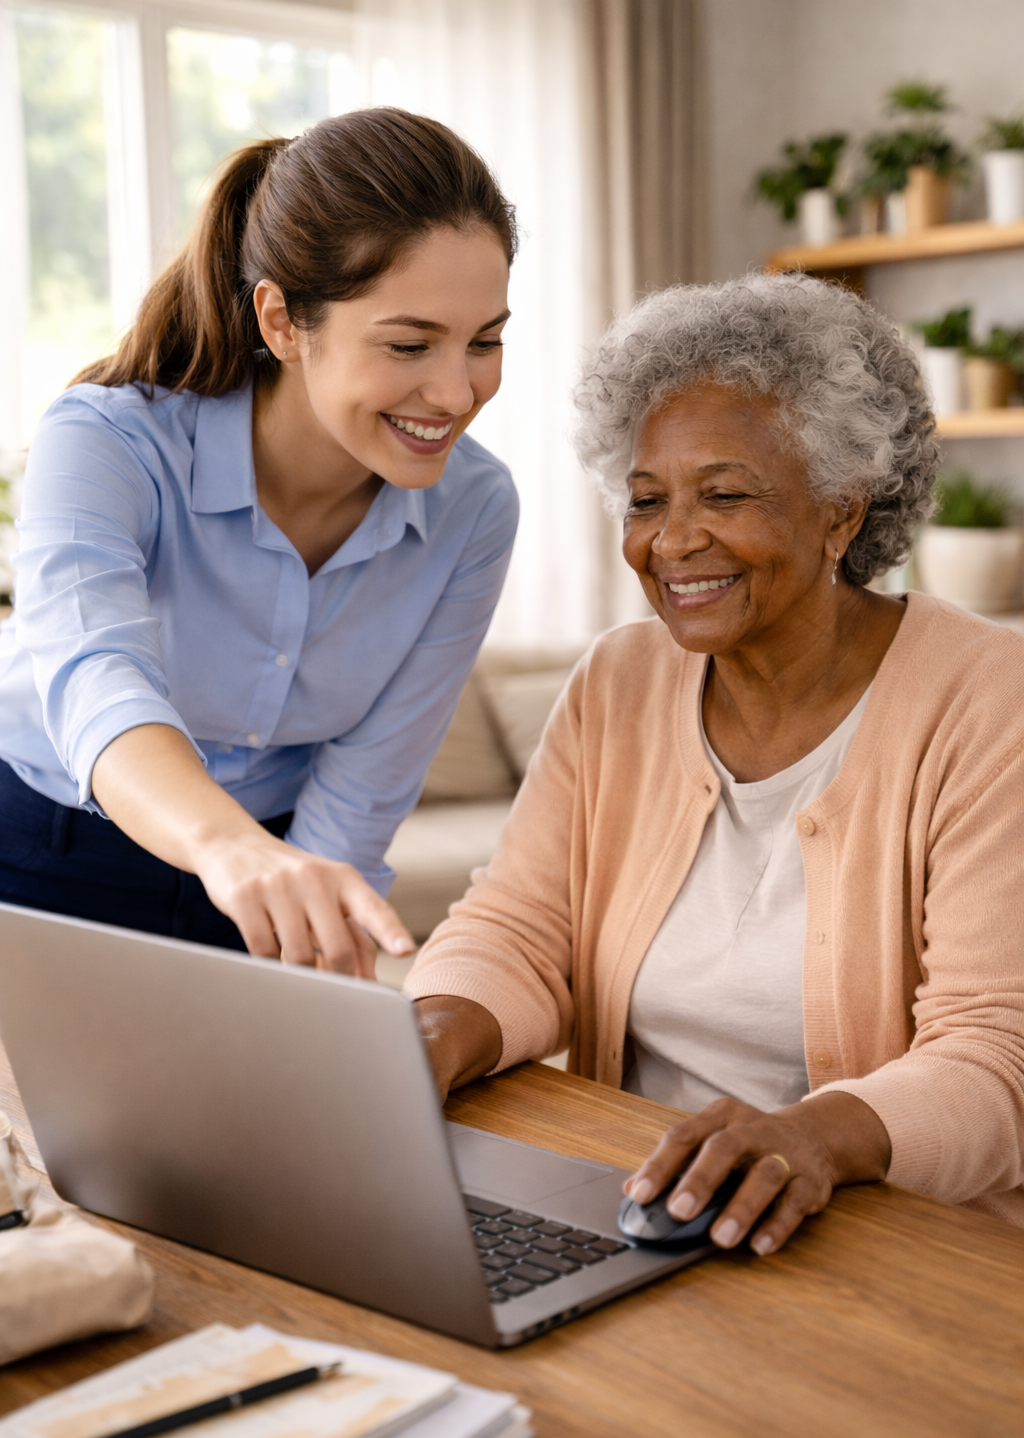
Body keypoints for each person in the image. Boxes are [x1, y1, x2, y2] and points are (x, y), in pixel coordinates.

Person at [407, 272, 1024, 1253]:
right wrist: (431, 1032)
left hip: (897, 1245)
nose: (673, 541)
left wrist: (813, 1137)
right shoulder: (617, 681)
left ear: (841, 511)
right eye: (646, 500)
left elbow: (997, 1058)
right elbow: (520, 926)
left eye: (725, 494)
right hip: (643, 1212)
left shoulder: (992, 701)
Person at [0, 107, 519, 976]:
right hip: (44, 843)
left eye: (486, 341)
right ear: (281, 322)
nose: (457, 391)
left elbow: (370, 778)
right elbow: (95, 677)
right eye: (408, 343)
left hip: (280, 868)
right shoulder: (106, 441)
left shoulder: (475, 509)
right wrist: (224, 846)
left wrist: (314, 936)